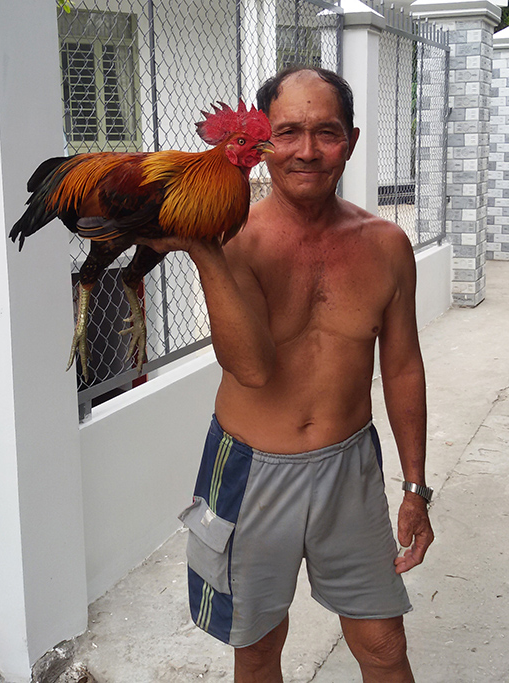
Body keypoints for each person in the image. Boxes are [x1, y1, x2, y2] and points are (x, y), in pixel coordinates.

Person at [142, 66, 433, 682]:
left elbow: (403, 365)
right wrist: (203, 252)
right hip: (250, 469)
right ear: (262, 143)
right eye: (289, 132)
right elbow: (249, 367)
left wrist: (415, 487)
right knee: (259, 648)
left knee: (384, 647)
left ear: (350, 140)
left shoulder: (386, 245)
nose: (307, 150)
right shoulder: (231, 239)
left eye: (326, 132)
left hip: (348, 467)